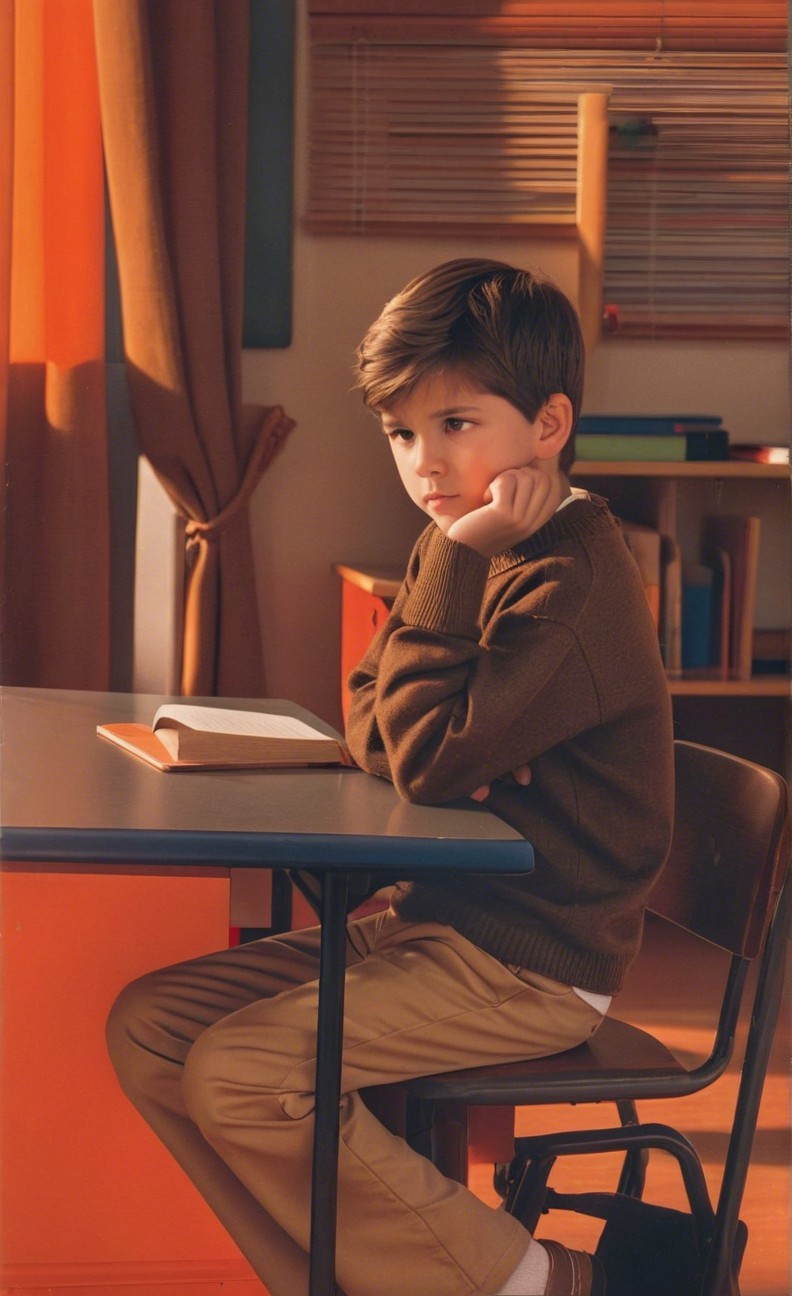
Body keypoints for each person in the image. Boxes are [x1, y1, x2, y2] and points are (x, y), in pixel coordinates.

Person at [106, 258, 674, 1296]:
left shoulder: (566, 578)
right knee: (151, 1029)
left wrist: (453, 571)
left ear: (549, 425)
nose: (424, 463)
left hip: (531, 959)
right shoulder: (461, 543)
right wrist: (449, 576)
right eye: (402, 434)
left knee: (240, 1073)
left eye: (457, 425)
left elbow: (419, 754)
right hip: (433, 916)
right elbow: (373, 720)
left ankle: (544, 1281)